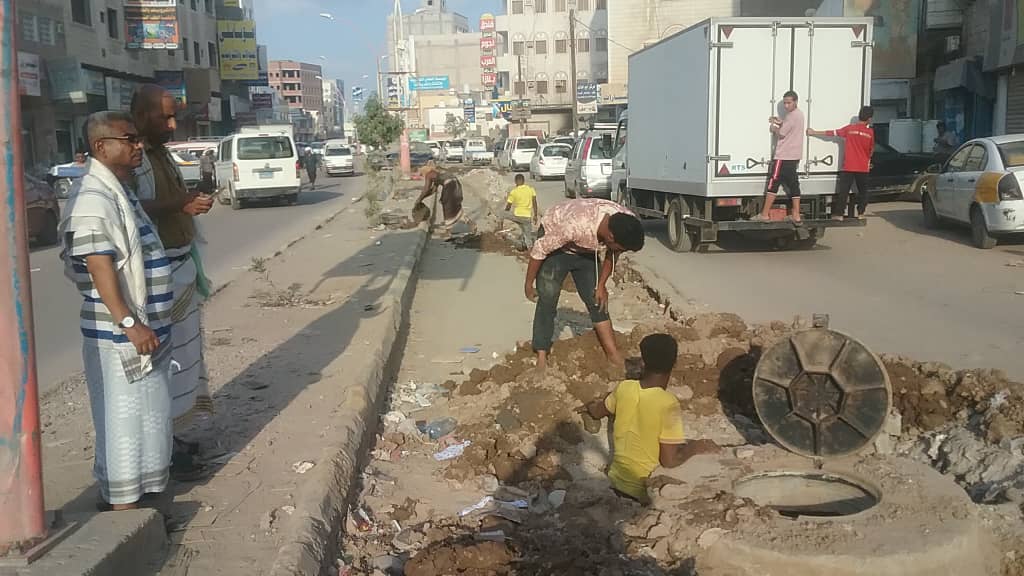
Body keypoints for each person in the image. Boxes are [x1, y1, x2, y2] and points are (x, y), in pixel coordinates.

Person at [59, 111, 174, 510]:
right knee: (123, 424)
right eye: (130, 139)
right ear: (101, 147)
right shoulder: (92, 197)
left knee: (147, 418)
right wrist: (129, 323)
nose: (138, 146)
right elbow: (98, 263)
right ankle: (123, 508)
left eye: (138, 139)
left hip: (142, 328)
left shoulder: (118, 190)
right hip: (119, 334)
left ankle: (144, 500)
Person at [132, 84, 214, 481]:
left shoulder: (160, 154)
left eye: (173, 117)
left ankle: (171, 438)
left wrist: (188, 202)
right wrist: (179, 205)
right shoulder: (134, 159)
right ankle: (158, 452)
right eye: (164, 117)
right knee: (159, 366)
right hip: (156, 275)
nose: (171, 124)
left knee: (180, 361)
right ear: (141, 115)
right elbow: (132, 207)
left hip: (180, 267)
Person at [579, 333, 719, 503]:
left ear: (643, 362)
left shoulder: (624, 388)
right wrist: (696, 447)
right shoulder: (668, 403)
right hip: (642, 491)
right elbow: (669, 461)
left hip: (614, 481)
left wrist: (589, 406)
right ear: (674, 363)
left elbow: (598, 412)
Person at [527, 198, 645, 370]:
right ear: (610, 237)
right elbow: (539, 250)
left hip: (586, 248)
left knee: (597, 300)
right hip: (556, 245)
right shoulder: (574, 226)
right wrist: (529, 283)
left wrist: (601, 285)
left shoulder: (625, 222)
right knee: (548, 297)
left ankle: (613, 355)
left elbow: (613, 253)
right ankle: (542, 355)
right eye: (621, 248)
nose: (620, 252)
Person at [808, 105, 875, 220]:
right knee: (863, 191)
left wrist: (814, 132)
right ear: (869, 119)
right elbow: (871, 150)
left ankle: (839, 214)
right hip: (863, 168)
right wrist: (867, 159)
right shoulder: (870, 132)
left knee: (843, 192)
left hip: (848, 166)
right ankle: (861, 213)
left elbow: (832, 133)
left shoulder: (849, 129)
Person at [753, 91, 805, 224]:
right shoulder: (799, 115)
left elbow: (781, 134)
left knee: (773, 183)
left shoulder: (791, 116)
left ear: (795, 101)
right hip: (794, 156)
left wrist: (773, 128)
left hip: (783, 156)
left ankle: (764, 214)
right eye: (785, 103)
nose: (786, 105)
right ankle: (796, 215)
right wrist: (780, 121)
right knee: (794, 184)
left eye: (789, 102)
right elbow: (789, 127)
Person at [415, 161, 476, 236]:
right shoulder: (437, 173)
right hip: (455, 183)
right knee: (455, 206)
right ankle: (471, 224)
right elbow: (433, 190)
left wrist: (419, 199)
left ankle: (448, 230)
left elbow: (426, 189)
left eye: (422, 174)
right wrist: (422, 198)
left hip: (449, 185)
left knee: (447, 207)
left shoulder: (429, 174)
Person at [505, 173, 539, 250]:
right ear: (523, 181)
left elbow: (508, 206)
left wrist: (504, 215)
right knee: (528, 234)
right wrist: (535, 215)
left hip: (517, 216)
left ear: (515, 182)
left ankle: (521, 244)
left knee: (523, 230)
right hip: (527, 216)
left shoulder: (513, 192)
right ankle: (530, 250)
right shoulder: (531, 189)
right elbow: (534, 203)